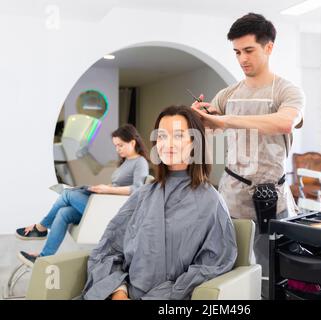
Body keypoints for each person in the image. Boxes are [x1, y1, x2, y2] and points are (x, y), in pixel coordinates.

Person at [191, 13, 305, 298]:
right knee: (230, 270)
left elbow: (284, 122)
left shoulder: (287, 90)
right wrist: (200, 118)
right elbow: (211, 132)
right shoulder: (227, 95)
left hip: (273, 198)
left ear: (269, 47)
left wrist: (226, 120)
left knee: (273, 272)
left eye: (249, 50)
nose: (242, 59)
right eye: (237, 52)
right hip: (231, 195)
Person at [81, 106, 237, 300]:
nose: (167, 144)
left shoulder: (211, 201)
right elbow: (109, 250)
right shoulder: (143, 194)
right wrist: (119, 292)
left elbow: (210, 267)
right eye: (162, 136)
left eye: (178, 136)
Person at [16, 124, 150, 266]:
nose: (117, 149)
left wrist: (107, 190)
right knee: (63, 212)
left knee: (67, 194)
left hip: (110, 211)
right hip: (103, 202)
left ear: (133, 142)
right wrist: (101, 188)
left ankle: (41, 228)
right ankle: (43, 257)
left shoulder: (140, 162)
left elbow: (138, 189)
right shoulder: (126, 162)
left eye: (120, 145)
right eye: (116, 146)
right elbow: (118, 185)